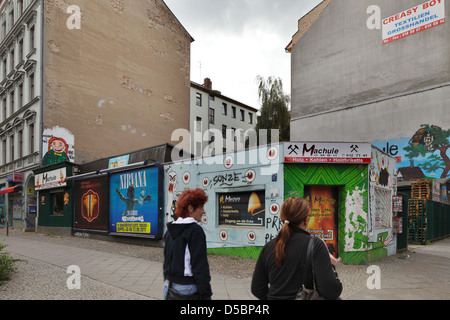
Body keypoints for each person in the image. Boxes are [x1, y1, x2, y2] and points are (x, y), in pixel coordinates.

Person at [251, 197, 342, 300]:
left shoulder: (269, 246)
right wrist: (331, 266)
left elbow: (257, 288)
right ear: (306, 220)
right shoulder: (316, 245)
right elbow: (331, 291)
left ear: (282, 218)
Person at [163, 188, 212, 300]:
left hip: (169, 286)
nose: (204, 211)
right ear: (190, 208)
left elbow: (166, 263)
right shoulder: (195, 231)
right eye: (201, 207)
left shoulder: (170, 230)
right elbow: (200, 267)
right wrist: (206, 295)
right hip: (187, 290)